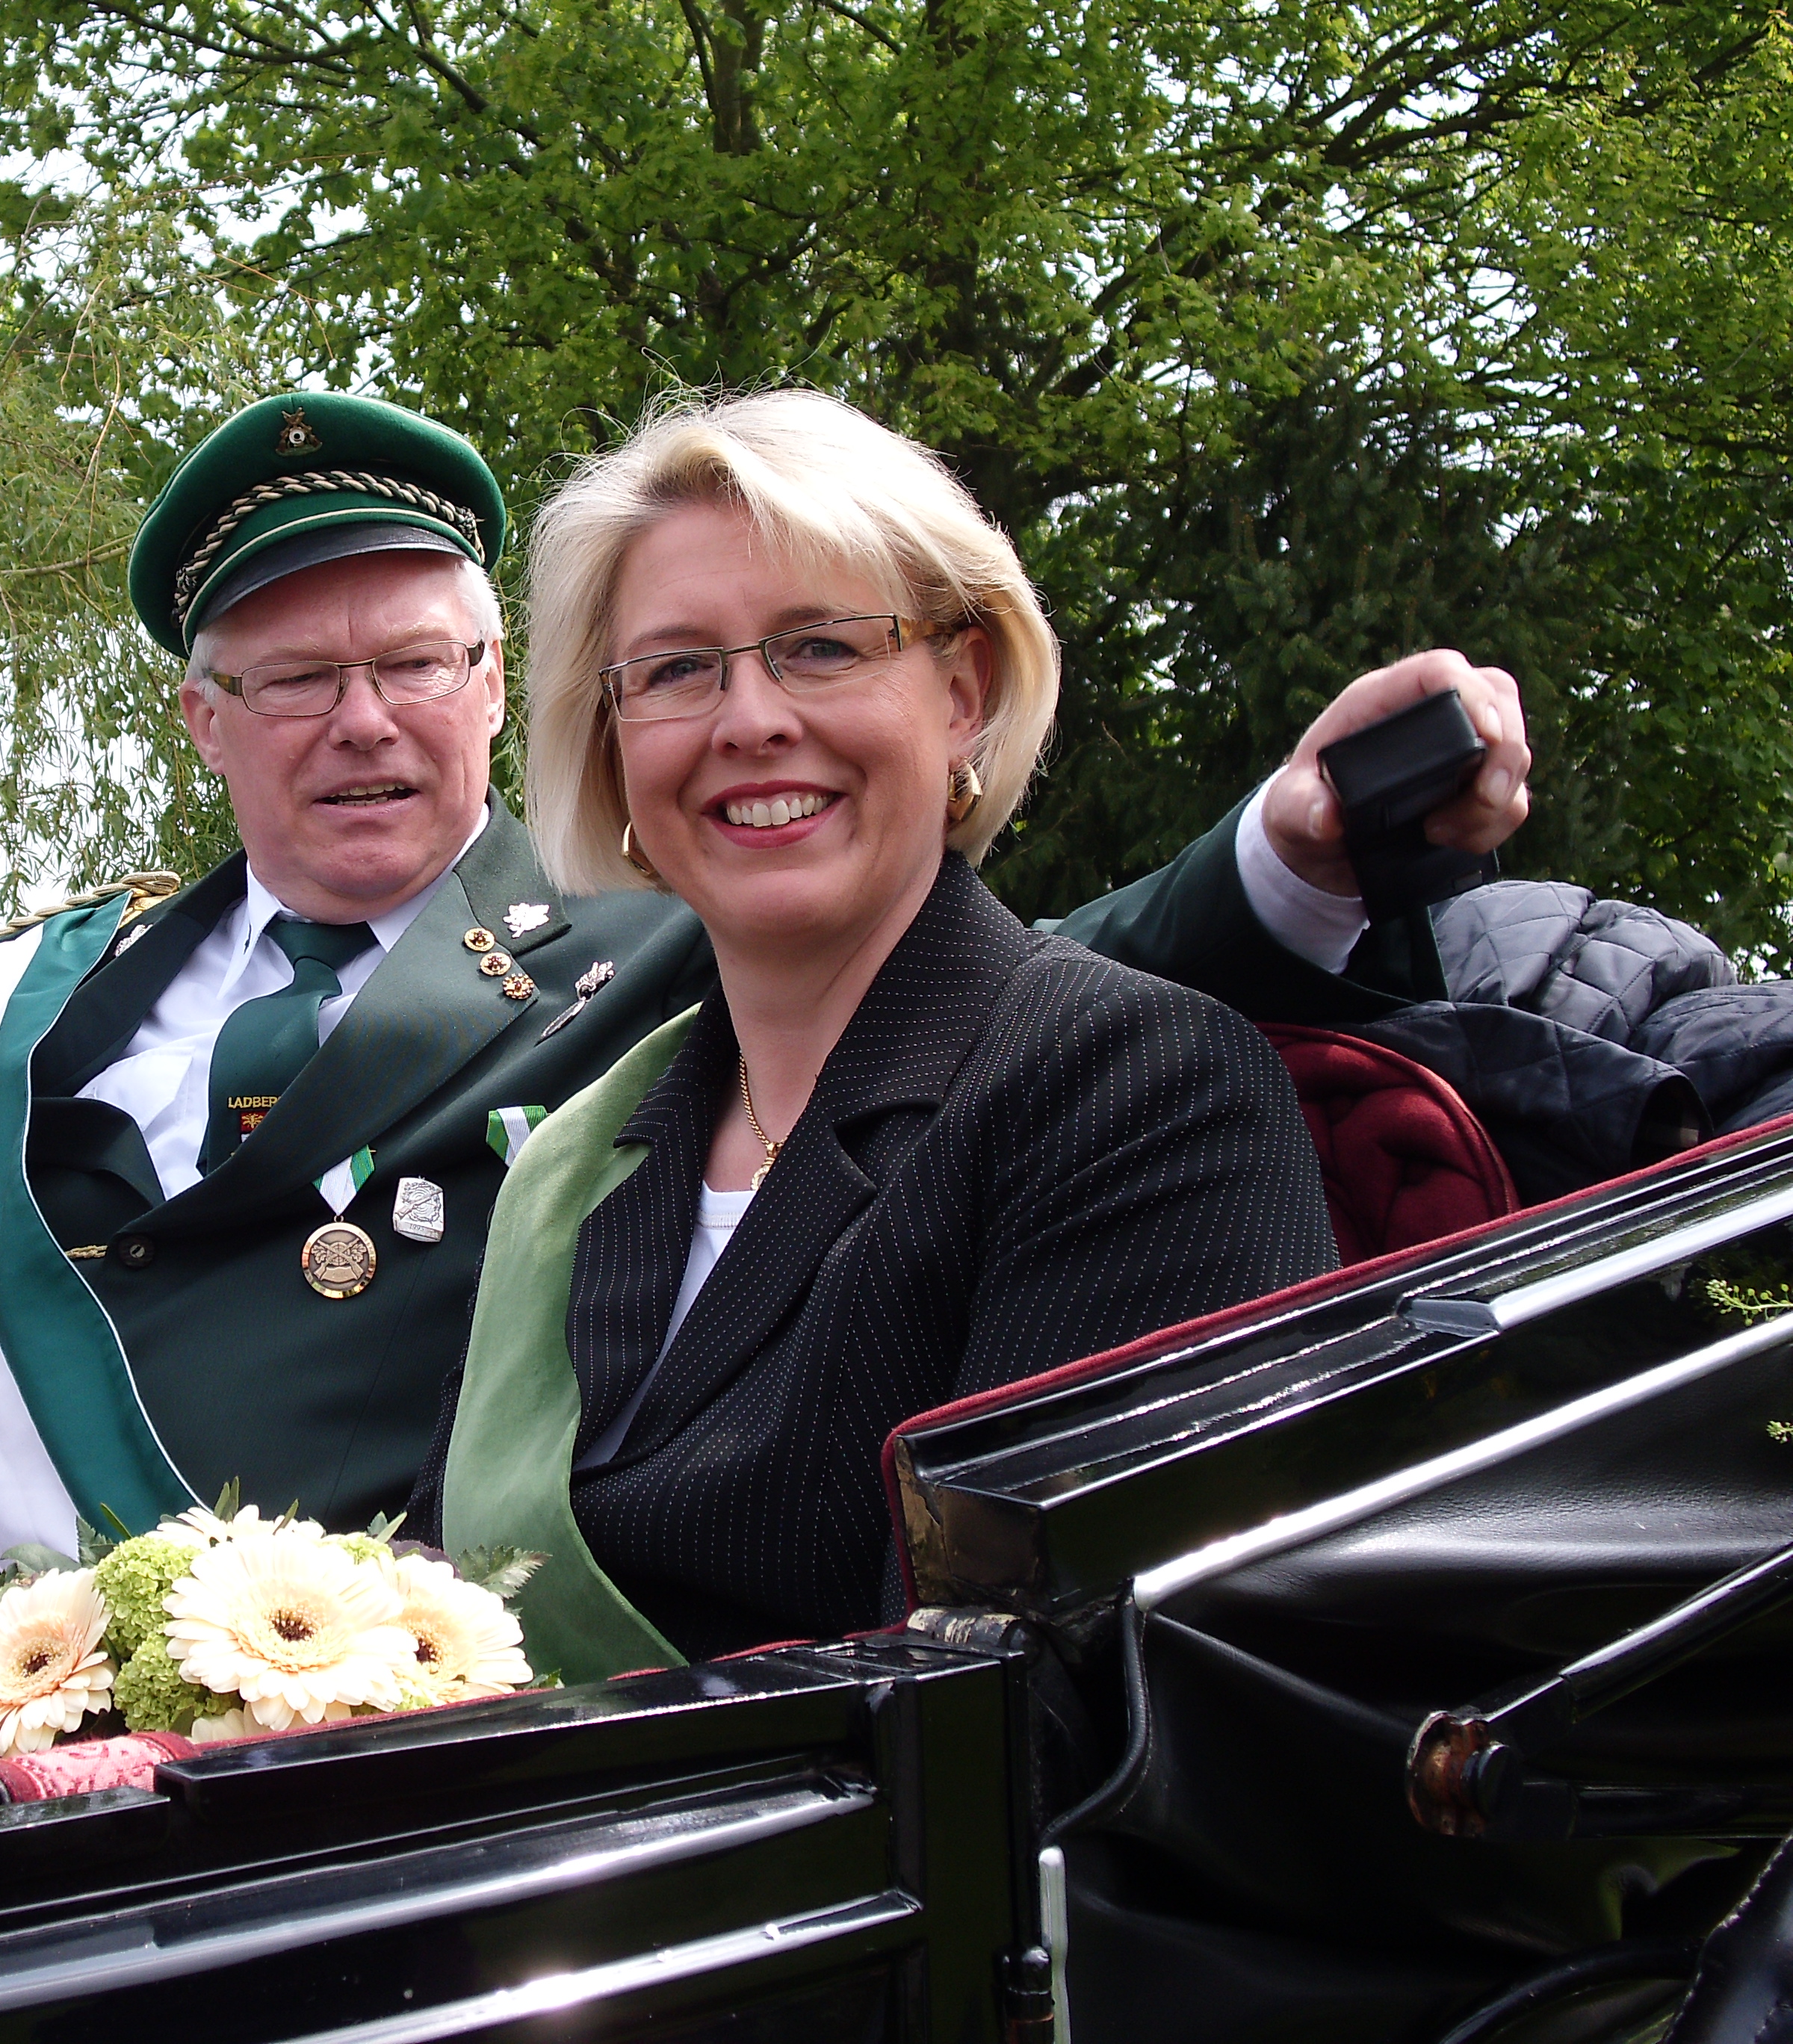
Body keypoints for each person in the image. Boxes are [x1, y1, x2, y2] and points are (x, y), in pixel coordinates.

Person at [0, 390, 1528, 1871]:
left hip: (329, 1728)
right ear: (205, 721)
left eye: (415, 664)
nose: (364, 725)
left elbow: (976, 994)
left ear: (497, 690)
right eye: (295, 677)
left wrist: (1288, 855)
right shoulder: (58, 988)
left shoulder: (649, 937)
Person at [411, 388, 1344, 1673]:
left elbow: (1038, 1698)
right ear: (613, 745)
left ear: (962, 693)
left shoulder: (1140, 1091)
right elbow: (430, 1603)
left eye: (821, 647)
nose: (750, 719)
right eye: (677, 670)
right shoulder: (582, 1164)